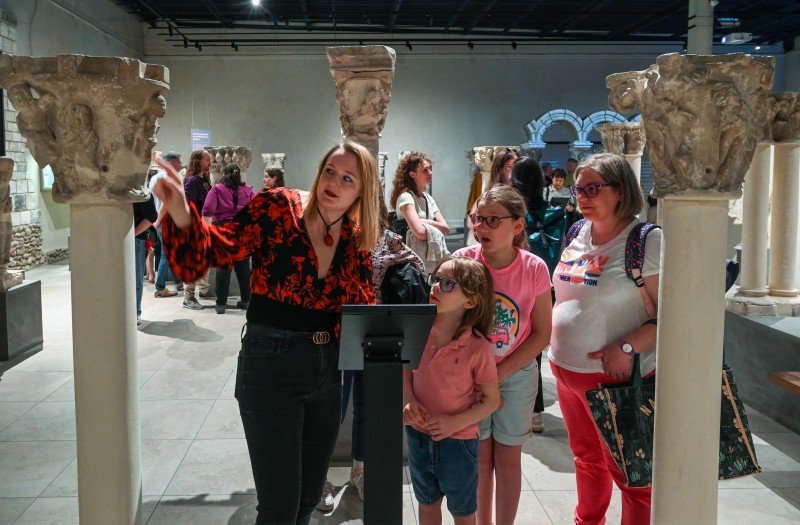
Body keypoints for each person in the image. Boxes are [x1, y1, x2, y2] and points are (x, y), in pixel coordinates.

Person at [155, 141, 380, 525]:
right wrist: (179, 210)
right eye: (330, 170)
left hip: (328, 373)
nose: (334, 183)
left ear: (362, 191)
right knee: (279, 506)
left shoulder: (356, 236)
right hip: (271, 362)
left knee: (308, 497)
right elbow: (219, 249)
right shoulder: (278, 206)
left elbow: (360, 304)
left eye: (347, 179)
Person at [550, 153, 660, 525]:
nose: (583, 196)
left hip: (616, 379)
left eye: (593, 188)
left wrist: (628, 346)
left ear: (620, 191)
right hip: (566, 374)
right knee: (586, 459)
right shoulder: (576, 232)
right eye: (579, 188)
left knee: (631, 474)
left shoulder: (645, 240)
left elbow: (676, 319)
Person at [319, 195, 426, 512]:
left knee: (367, 405)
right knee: (329, 408)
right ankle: (318, 477)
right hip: (329, 332)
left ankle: (361, 470)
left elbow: (415, 266)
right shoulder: (328, 234)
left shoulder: (386, 237)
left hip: (372, 332)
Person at [454, 184, 552, 525]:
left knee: (509, 459)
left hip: (516, 373)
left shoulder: (534, 267)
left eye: (492, 220)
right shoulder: (464, 262)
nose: (481, 227)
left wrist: (500, 374)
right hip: (470, 376)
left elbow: (541, 333)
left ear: (518, 225)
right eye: (477, 219)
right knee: (479, 458)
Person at [403, 256, 501, 525]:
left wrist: (453, 423)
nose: (435, 286)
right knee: (426, 503)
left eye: (448, 283)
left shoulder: (478, 347)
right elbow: (405, 374)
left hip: (459, 444)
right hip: (418, 436)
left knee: (463, 512)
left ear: (470, 301)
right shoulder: (418, 330)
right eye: (435, 278)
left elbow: (492, 401)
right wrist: (409, 400)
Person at [510, 157, 556, 435]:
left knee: (510, 342)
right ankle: (536, 412)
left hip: (517, 281)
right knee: (535, 349)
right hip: (545, 282)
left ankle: (518, 405)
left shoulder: (515, 209)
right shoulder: (550, 209)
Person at [202, 162, 256, 314]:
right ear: (239, 175)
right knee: (244, 267)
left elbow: (207, 210)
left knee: (224, 268)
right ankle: (247, 301)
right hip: (243, 231)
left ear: (224, 174)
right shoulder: (248, 191)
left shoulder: (217, 189)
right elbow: (257, 210)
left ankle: (221, 305)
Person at [389, 152, 450, 271]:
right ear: (413, 174)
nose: (430, 173)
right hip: (409, 263)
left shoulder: (428, 198)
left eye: (430, 169)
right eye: (425, 170)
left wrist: (424, 221)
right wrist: (430, 225)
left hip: (429, 262)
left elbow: (446, 229)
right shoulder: (406, 197)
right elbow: (420, 232)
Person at [181, 149, 214, 309]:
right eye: (207, 159)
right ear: (198, 161)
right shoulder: (192, 181)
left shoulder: (204, 180)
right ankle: (188, 297)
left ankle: (203, 289)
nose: (210, 162)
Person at [150, 151, 182, 298]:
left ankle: (178, 281)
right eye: (178, 161)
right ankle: (160, 287)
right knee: (166, 255)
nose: (181, 165)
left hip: (159, 220)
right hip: (166, 220)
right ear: (171, 163)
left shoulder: (155, 178)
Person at [133, 195, 157, 324]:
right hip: (122, 239)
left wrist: (133, 233)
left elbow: (152, 216)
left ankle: (135, 312)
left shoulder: (142, 193)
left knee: (136, 278)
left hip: (136, 240)